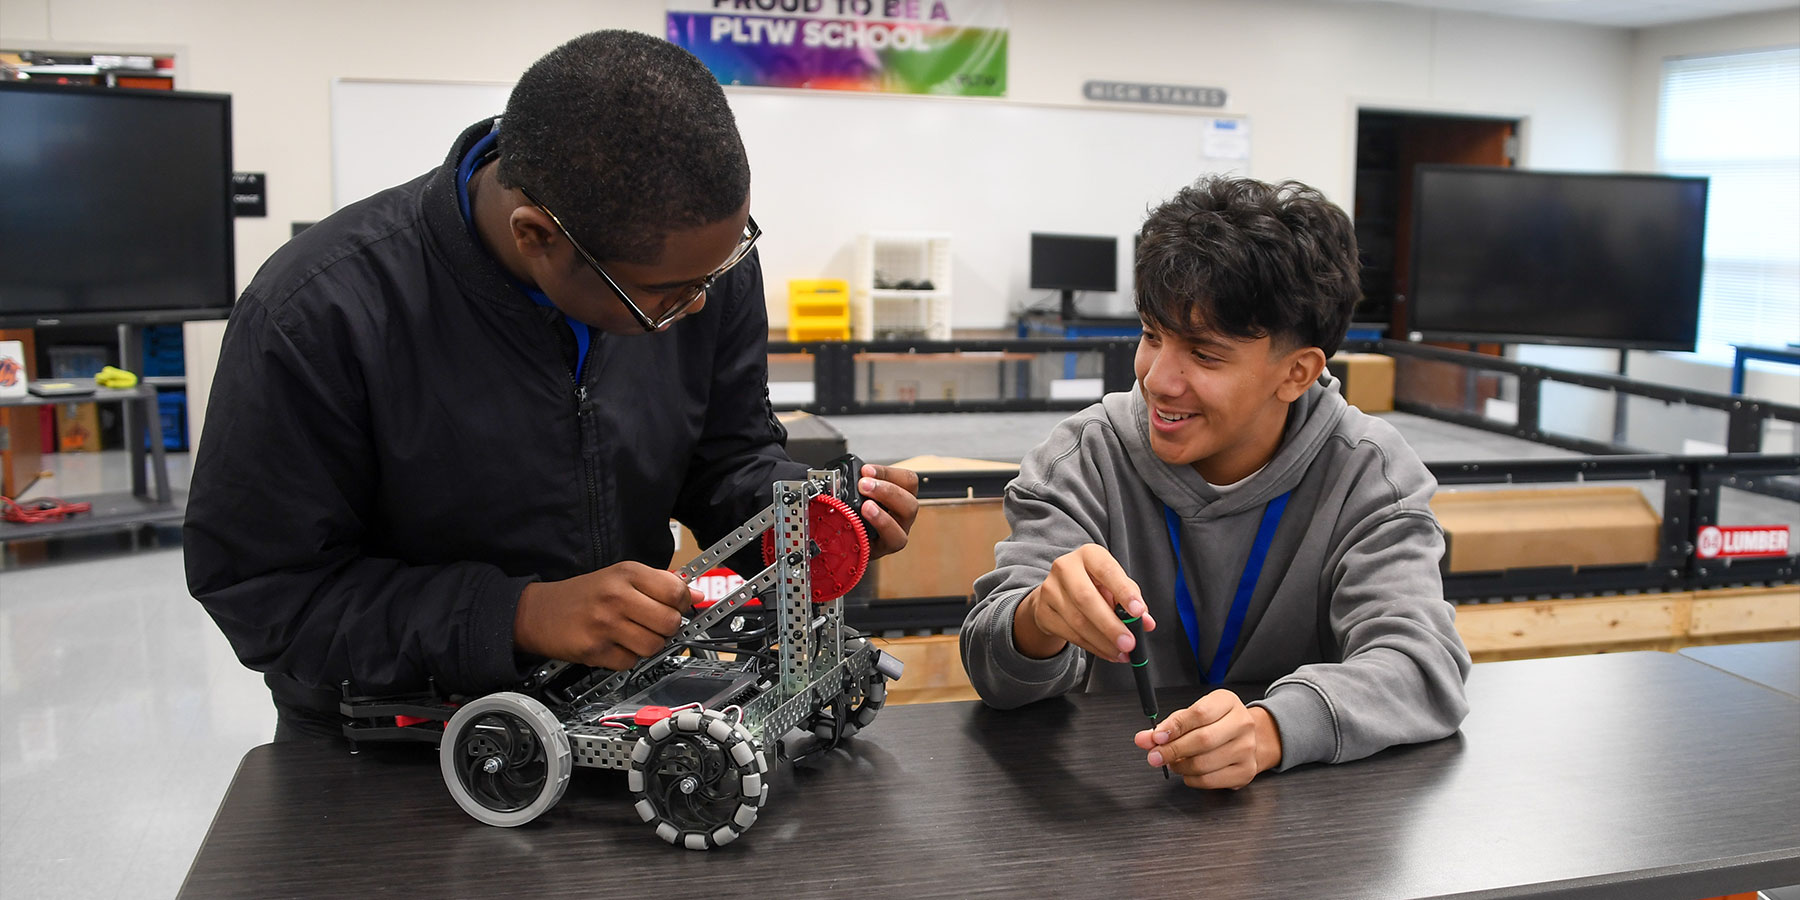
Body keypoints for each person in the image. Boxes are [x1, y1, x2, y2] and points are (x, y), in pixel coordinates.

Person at [185, 30, 919, 741]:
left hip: (621, 711)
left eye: (716, 274)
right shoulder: (319, 311)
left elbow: (725, 457)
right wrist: (515, 615)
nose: (698, 305)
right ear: (537, 236)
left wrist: (807, 519)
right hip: (400, 745)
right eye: (663, 296)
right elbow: (265, 595)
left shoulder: (692, 268)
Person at [960, 176, 1470, 790]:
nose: (1158, 380)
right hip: (1113, 814)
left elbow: (1422, 666)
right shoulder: (1084, 459)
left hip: (1309, 831)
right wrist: (1038, 618)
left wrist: (1272, 730)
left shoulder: (1368, 473)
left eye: (1204, 354)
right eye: (1151, 334)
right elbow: (993, 672)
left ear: (1297, 372)